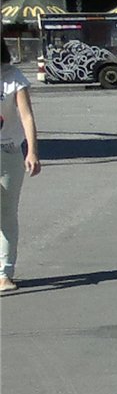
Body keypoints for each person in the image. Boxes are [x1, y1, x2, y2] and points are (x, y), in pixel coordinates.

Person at [1, 43, 44, 292]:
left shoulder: (13, 77)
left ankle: (4, 273)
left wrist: (32, 151)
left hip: (7, 153)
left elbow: (26, 116)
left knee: (6, 214)